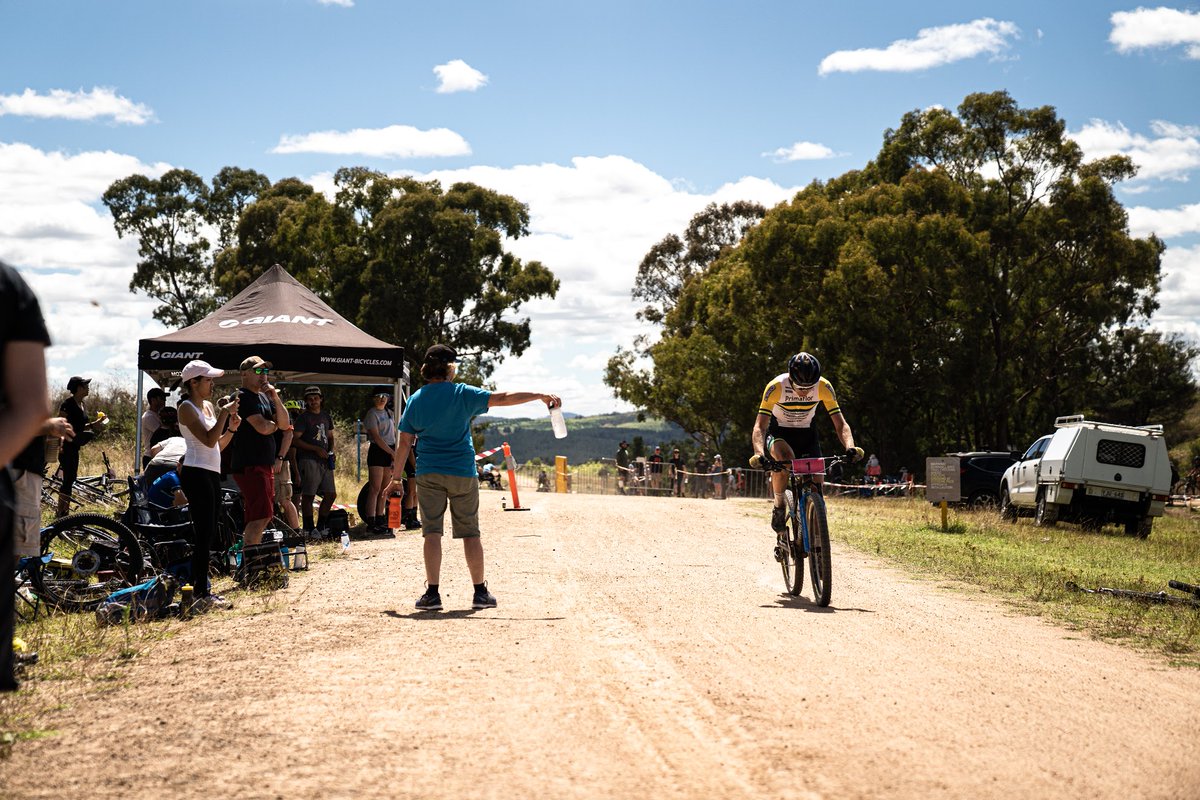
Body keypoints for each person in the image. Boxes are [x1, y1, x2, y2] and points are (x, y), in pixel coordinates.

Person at [390, 344, 559, 612]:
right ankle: (480, 592)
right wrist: (538, 395)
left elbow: (404, 443)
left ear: (425, 369)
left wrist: (397, 478)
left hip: (429, 472)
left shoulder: (417, 399)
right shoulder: (462, 393)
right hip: (461, 472)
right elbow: (502, 398)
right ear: (450, 368)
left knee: (431, 533)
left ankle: (432, 595)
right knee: (471, 533)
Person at [2, 259, 53, 692]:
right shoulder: (9, 286)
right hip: (14, 468)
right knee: (18, 551)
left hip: (23, 466)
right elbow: (32, 407)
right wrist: (47, 424)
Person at [751, 351, 863, 534]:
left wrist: (850, 446)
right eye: (801, 388)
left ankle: (815, 525)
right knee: (785, 459)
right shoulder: (776, 387)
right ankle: (779, 505)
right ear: (790, 378)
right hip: (780, 433)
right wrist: (759, 453)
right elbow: (760, 426)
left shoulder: (824, 387)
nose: (805, 392)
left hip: (807, 435)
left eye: (810, 388)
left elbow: (840, 424)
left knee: (817, 484)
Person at [177, 359, 240, 611]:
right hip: (196, 473)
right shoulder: (186, 407)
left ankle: (200, 588)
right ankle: (200, 593)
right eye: (208, 379)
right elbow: (206, 440)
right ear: (194, 382)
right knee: (203, 534)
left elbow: (217, 445)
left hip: (210, 472)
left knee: (210, 532)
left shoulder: (207, 407)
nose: (212, 384)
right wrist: (225, 413)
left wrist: (231, 430)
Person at [230, 356, 290, 546]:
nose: (263, 376)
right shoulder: (241, 397)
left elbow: (285, 424)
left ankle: (250, 563)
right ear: (244, 374)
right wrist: (275, 426)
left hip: (263, 463)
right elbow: (263, 427)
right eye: (258, 371)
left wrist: (275, 397)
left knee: (261, 515)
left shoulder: (264, 397)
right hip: (250, 464)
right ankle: (251, 563)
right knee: (261, 516)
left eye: (265, 371)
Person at [56, 375, 104, 518]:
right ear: (78, 388)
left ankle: (65, 511)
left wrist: (95, 424)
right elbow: (60, 425)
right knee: (68, 479)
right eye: (85, 385)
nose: (88, 388)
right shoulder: (67, 404)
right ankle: (61, 512)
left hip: (75, 446)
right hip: (66, 446)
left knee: (71, 478)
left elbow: (80, 427)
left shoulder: (82, 404)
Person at [292, 385, 337, 536]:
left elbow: (330, 437)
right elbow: (295, 440)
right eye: (310, 399)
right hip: (309, 459)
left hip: (325, 460)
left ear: (321, 399)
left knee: (331, 494)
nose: (313, 401)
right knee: (309, 495)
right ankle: (309, 528)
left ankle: (322, 526)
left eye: (316, 398)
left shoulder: (326, 416)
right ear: (306, 402)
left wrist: (331, 451)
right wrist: (315, 449)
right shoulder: (303, 418)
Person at [362, 386, 396, 533]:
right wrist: (392, 453)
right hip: (377, 451)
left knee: (384, 489)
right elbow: (376, 437)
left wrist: (394, 453)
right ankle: (371, 520)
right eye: (378, 395)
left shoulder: (390, 413)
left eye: (384, 395)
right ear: (373, 398)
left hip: (389, 451)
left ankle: (381, 518)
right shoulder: (371, 414)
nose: (382, 398)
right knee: (375, 488)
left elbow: (394, 434)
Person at [272, 400, 299, 532]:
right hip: (265, 463)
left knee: (285, 500)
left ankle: (297, 534)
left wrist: (280, 458)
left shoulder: (282, 412)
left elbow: (289, 435)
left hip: (280, 463)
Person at [140, 387, 166, 466]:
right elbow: (162, 433)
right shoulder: (148, 417)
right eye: (161, 398)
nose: (164, 401)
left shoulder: (157, 415)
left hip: (159, 455)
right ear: (153, 400)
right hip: (151, 456)